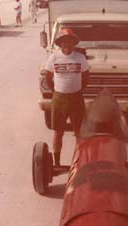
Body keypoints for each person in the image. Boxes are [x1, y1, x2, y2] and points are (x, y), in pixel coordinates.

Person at [44, 28, 90, 166]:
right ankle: (57, 162)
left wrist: (77, 89)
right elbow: (48, 77)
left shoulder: (80, 58)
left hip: (76, 98)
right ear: (60, 43)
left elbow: (86, 77)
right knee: (58, 132)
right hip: (59, 98)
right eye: (64, 41)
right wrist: (57, 90)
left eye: (69, 41)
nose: (67, 44)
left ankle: (80, 161)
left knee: (79, 132)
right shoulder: (54, 57)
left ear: (73, 43)